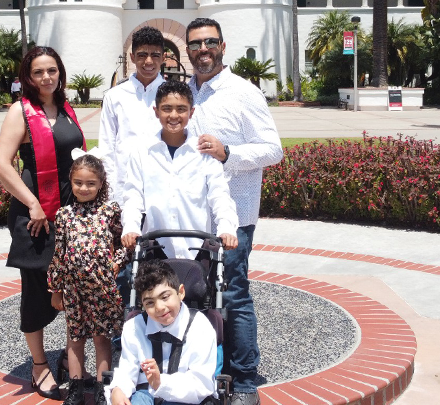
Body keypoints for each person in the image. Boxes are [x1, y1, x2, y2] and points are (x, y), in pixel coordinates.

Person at [184, 18, 283, 405]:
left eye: (210, 42)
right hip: (190, 216)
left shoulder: (244, 92)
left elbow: (273, 149)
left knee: (235, 293)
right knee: (193, 292)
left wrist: (229, 153)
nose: (203, 49)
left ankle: (243, 379)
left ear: (223, 46)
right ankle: (199, 368)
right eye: (196, 44)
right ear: (188, 50)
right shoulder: (182, 92)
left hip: (235, 216)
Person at [0, 46, 86, 401]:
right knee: (38, 287)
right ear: (27, 78)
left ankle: (69, 359)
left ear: (59, 72)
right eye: (38, 72)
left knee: (72, 287)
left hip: (68, 213)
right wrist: (32, 203)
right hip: (35, 216)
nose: (46, 77)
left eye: (51, 70)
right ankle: (38, 364)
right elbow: (2, 164)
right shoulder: (21, 111)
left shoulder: (64, 107)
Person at [120, 80, 238, 257]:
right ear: (156, 112)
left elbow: (219, 194)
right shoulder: (142, 152)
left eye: (181, 109)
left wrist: (226, 227)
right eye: (167, 108)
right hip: (155, 247)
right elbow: (133, 196)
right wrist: (130, 227)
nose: (174, 115)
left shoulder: (204, 152)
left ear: (191, 112)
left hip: (197, 248)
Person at [48, 150, 129, 405]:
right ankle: (75, 388)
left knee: (101, 337)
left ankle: (101, 387)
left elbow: (124, 243)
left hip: (102, 289)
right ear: (71, 182)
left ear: (101, 183)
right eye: (78, 183)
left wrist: (114, 265)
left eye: (91, 183)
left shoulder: (109, 211)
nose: (84, 188)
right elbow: (59, 253)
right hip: (74, 289)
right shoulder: (64, 215)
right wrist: (56, 289)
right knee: (75, 337)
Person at [106, 260, 218, 405]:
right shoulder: (134, 327)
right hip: (145, 393)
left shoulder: (199, 326)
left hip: (186, 397)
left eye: (165, 297)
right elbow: (127, 369)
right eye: (150, 303)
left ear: (181, 292)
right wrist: (118, 389)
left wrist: (161, 383)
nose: (159, 307)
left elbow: (202, 385)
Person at [99, 26, 166, 205]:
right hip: (123, 191)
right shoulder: (115, 96)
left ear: (164, 58)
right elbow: (107, 146)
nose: (148, 61)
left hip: (163, 189)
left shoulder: (172, 95)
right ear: (132, 57)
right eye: (142, 55)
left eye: (155, 55)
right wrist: (110, 193)